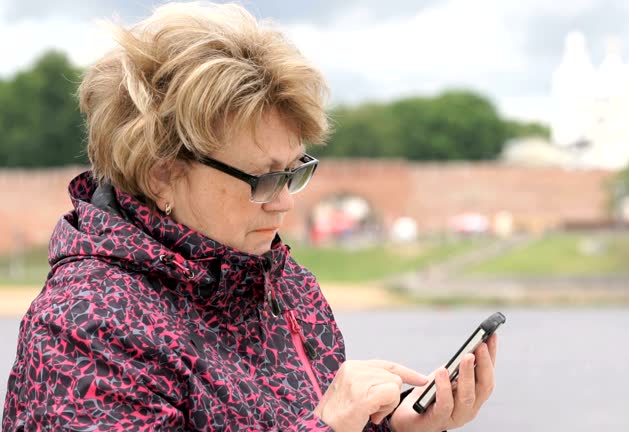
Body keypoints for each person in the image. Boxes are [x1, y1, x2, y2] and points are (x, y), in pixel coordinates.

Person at [2, 3, 498, 431]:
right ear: (161, 174)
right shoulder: (86, 329)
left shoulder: (277, 284)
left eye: (293, 171)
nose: (284, 201)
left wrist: (393, 426)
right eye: (262, 178)